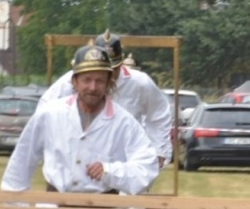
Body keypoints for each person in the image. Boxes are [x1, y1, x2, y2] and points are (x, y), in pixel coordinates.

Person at [2, 43, 160, 209]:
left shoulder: (123, 121)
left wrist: (111, 171)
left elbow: (147, 166)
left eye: (99, 81)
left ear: (109, 83)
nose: (92, 87)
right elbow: (25, 153)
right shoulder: (51, 113)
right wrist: (15, 201)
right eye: (86, 80)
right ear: (75, 81)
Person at [42, 32, 174, 164]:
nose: (109, 74)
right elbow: (45, 109)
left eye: (114, 68)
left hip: (127, 163)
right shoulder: (73, 80)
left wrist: (159, 150)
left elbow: (159, 114)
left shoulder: (140, 83)